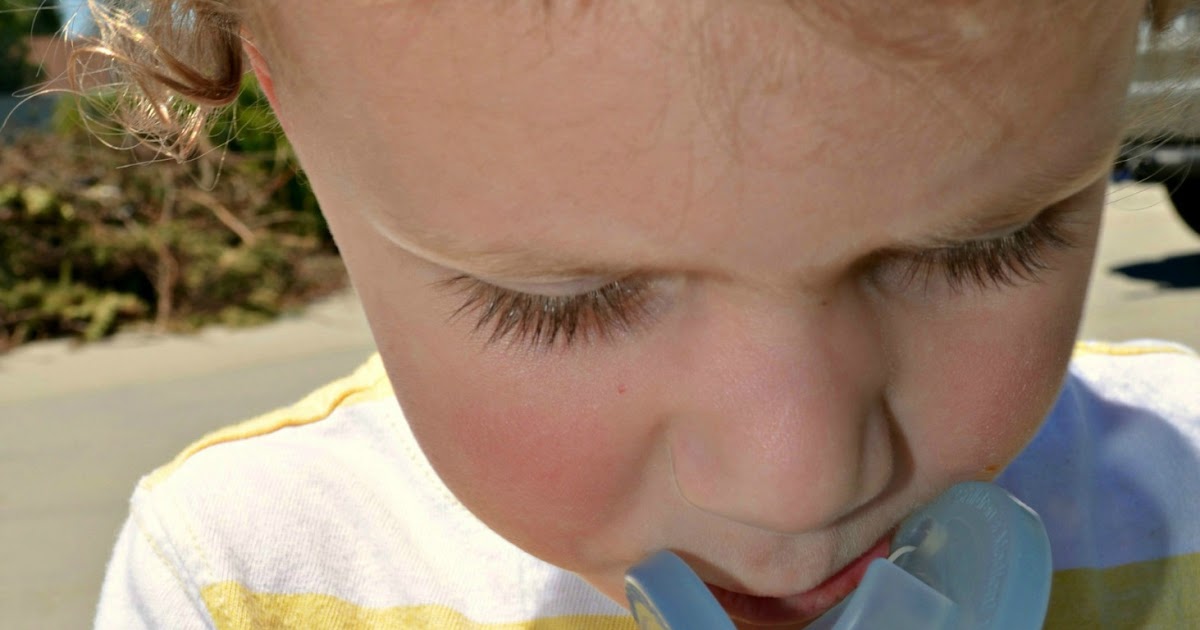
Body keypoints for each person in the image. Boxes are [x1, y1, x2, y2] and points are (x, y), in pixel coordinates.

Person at [88, 0, 1200, 628]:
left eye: (985, 245)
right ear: (301, 132)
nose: (804, 479)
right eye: (561, 305)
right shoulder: (237, 580)